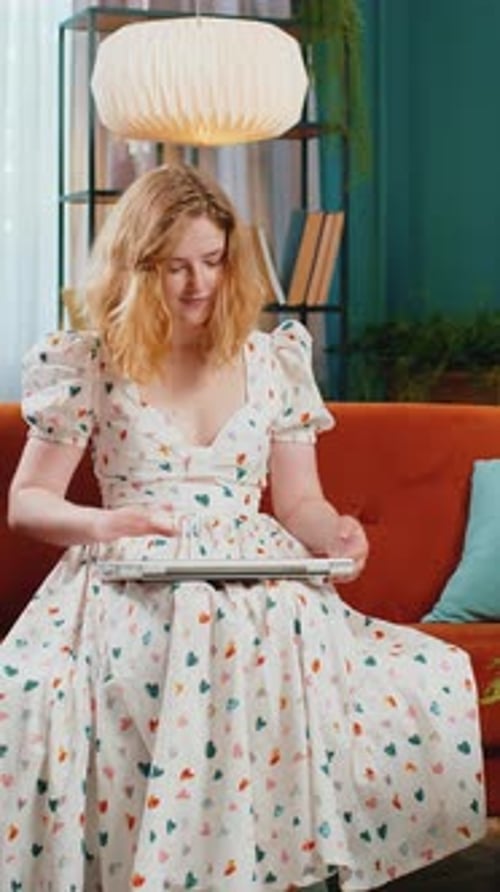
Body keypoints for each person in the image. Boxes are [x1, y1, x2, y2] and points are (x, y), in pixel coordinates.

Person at [1, 162, 485, 892]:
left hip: (259, 573)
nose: (198, 285)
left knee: (298, 650)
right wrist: (108, 522)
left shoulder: (273, 362)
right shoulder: (91, 360)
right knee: (139, 658)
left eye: (213, 261)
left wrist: (337, 536)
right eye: (173, 267)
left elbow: (300, 505)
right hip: (130, 569)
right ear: (137, 268)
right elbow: (28, 502)